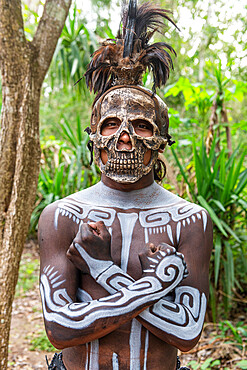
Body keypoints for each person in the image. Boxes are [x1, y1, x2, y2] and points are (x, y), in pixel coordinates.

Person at [38, 2, 213, 369]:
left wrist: (101, 270)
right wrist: (160, 282)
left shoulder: (190, 221)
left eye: (143, 126)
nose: (125, 138)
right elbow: (59, 328)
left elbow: (188, 334)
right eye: (110, 125)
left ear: (161, 140)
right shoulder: (61, 217)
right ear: (94, 137)